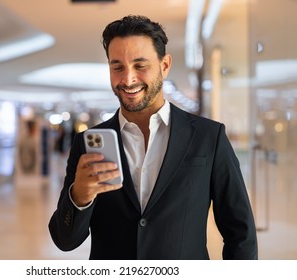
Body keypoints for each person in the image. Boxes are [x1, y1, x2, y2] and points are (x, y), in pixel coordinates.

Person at [49, 15, 258, 260]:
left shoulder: (208, 137)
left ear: (165, 65)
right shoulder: (86, 144)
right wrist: (79, 197)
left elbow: (240, 232)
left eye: (140, 65)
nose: (128, 79)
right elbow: (64, 241)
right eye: (117, 67)